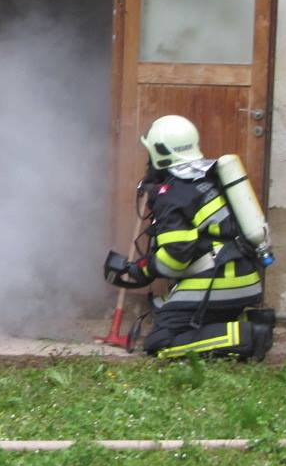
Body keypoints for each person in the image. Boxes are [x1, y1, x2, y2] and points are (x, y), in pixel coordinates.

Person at [105, 114, 273, 361]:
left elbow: (175, 259)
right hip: (240, 278)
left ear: (160, 153)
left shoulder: (174, 194)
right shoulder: (206, 176)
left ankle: (246, 335)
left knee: (161, 343)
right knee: (169, 314)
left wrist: (141, 269)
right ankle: (253, 321)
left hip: (221, 282)